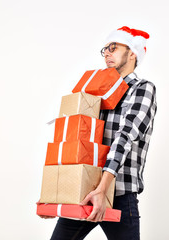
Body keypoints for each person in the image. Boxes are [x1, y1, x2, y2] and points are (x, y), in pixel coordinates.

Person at [47, 26, 157, 240]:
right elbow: (76, 140)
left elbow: (123, 138)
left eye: (113, 47)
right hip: (85, 190)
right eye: (104, 49)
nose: (106, 52)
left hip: (120, 194)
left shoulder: (142, 89)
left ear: (133, 53)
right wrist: (58, 193)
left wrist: (102, 189)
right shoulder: (96, 94)